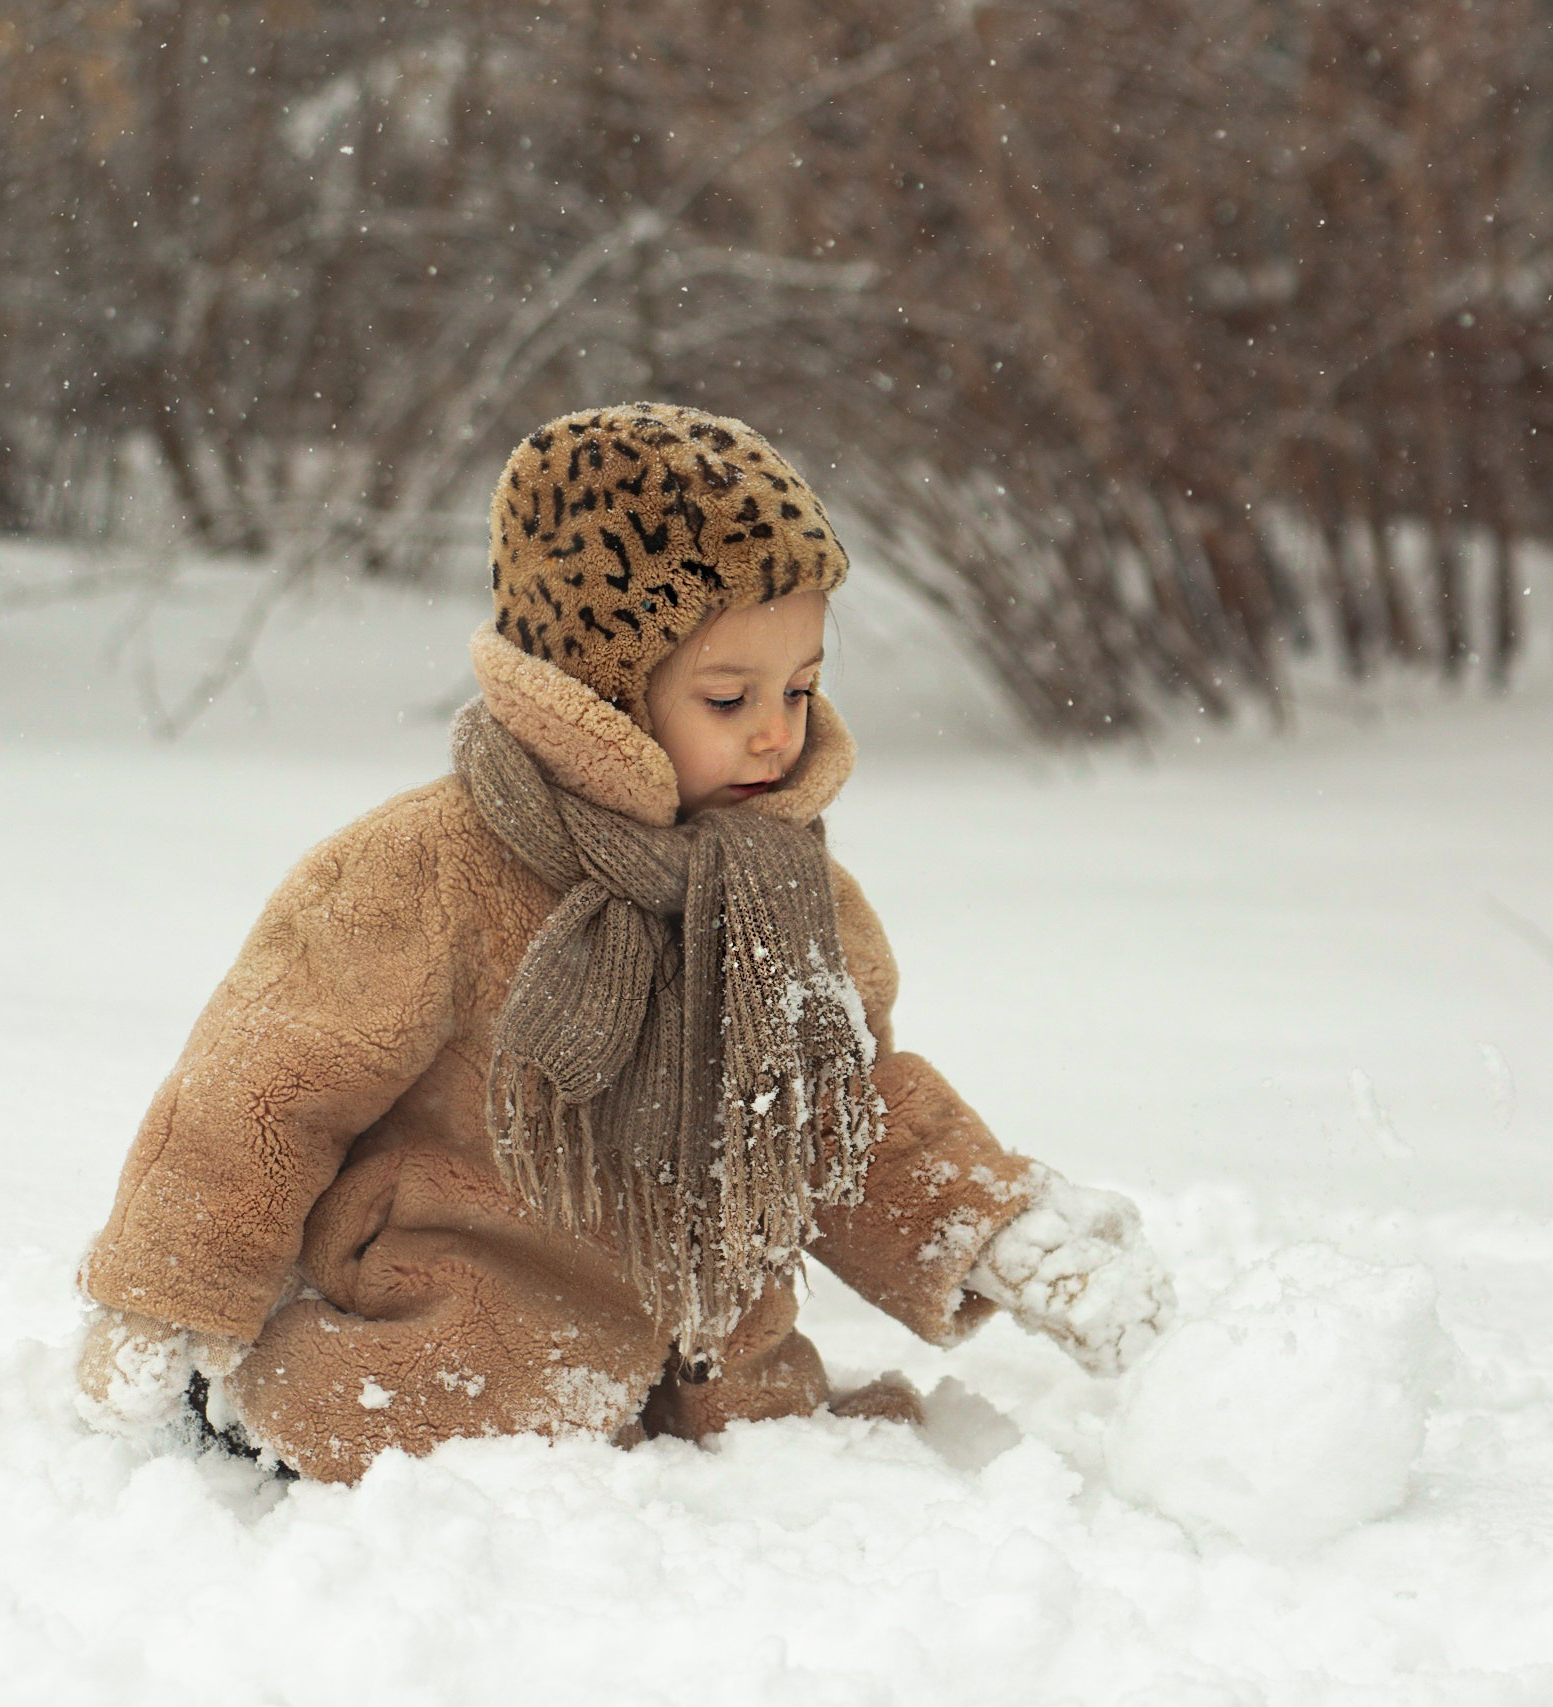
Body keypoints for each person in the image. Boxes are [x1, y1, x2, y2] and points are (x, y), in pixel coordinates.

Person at [73, 402, 1173, 1481]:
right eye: (728, 693)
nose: (774, 731)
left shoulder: (794, 897)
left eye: (799, 689)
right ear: (599, 687)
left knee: (807, 1467)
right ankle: (241, 1414)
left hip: (714, 1365)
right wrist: (166, 1300)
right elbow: (261, 1088)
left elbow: (838, 1116)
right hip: (454, 1317)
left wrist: (995, 1231)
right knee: (433, 1431)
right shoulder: (430, 866)